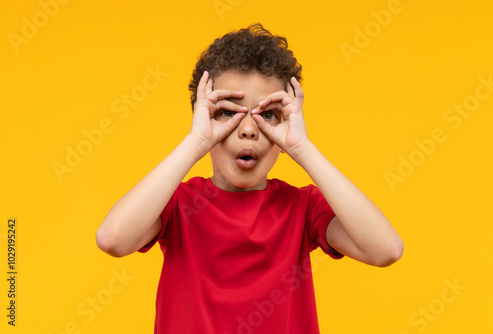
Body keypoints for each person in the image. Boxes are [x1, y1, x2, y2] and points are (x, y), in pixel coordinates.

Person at [96, 23, 404, 334]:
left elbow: (386, 250)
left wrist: (302, 148)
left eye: (267, 114)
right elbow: (113, 239)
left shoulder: (303, 208)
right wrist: (196, 142)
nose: (248, 129)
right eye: (228, 112)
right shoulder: (178, 205)